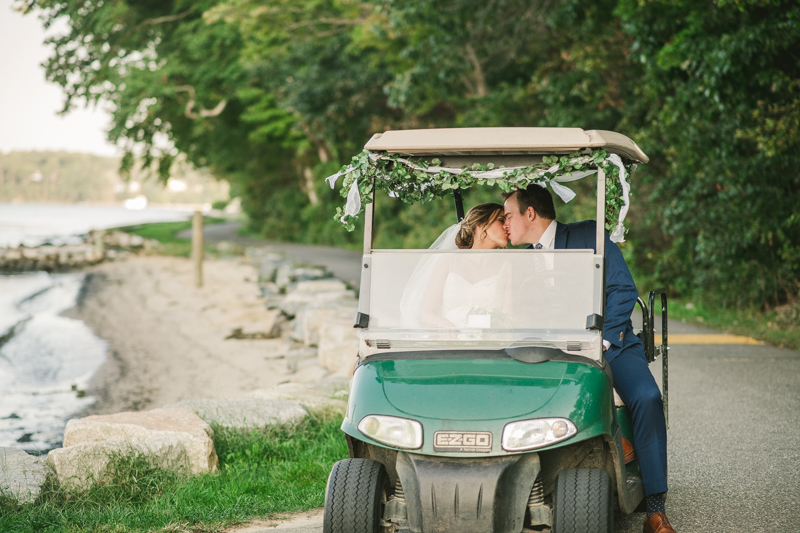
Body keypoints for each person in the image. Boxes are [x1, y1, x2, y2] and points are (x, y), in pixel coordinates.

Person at [502, 185, 677, 533]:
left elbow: (623, 290)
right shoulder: (517, 259)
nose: (505, 224)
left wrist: (603, 340)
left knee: (646, 397)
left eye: (508, 216)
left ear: (530, 213)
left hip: (609, 344)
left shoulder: (588, 235)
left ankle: (655, 509)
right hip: (548, 350)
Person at [401, 203, 511, 329]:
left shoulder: (506, 267)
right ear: (480, 225)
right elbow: (427, 314)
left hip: (488, 343)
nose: (507, 226)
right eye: (501, 220)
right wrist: (441, 323)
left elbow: (508, 318)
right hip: (449, 341)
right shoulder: (447, 261)